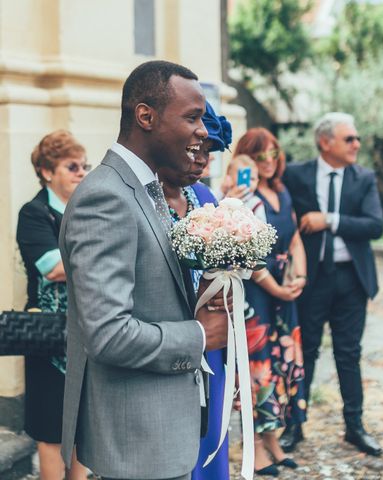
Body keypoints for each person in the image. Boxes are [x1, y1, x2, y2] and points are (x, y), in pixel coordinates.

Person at [59, 60, 229, 480]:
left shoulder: (145, 187)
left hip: (163, 431)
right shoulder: (107, 197)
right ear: (146, 116)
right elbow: (109, 334)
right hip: (138, 441)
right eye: (191, 117)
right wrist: (200, 335)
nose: (204, 131)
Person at [281, 112, 383, 456]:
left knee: (349, 354)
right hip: (310, 278)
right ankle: (294, 425)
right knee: (305, 350)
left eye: (355, 138)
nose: (357, 144)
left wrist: (329, 221)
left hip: (351, 278)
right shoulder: (296, 175)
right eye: (349, 139)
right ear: (325, 142)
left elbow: (374, 226)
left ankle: (354, 426)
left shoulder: (364, 178)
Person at [158, 100, 232, 480]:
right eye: (197, 148)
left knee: (211, 437)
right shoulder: (148, 197)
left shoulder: (206, 198)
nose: (203, 158)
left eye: (210, 151)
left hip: (212, 341)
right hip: (168, 339)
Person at [234, 127, 308, 476]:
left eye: (273, 154)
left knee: (280, 365)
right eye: (260, 155)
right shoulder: (246, 198)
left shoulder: (281, 191)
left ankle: (274, 440)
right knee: (258, 368)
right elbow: (249, 256)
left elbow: (294, 239)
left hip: (283, 290)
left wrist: (299, 277)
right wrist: (276, 288)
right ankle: (256, 447)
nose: (268, 161)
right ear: (247, 157)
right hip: (258, 294)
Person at [16, 130, 89, 480]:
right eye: (72, 166)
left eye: (84, 166)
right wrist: (99, 253)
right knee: (51, 433)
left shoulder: (85, 211)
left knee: (83, 430)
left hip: (87, 332)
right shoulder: (34, 214)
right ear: (47, 172)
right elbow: (54, 268)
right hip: (48, 338)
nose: (81, 172)